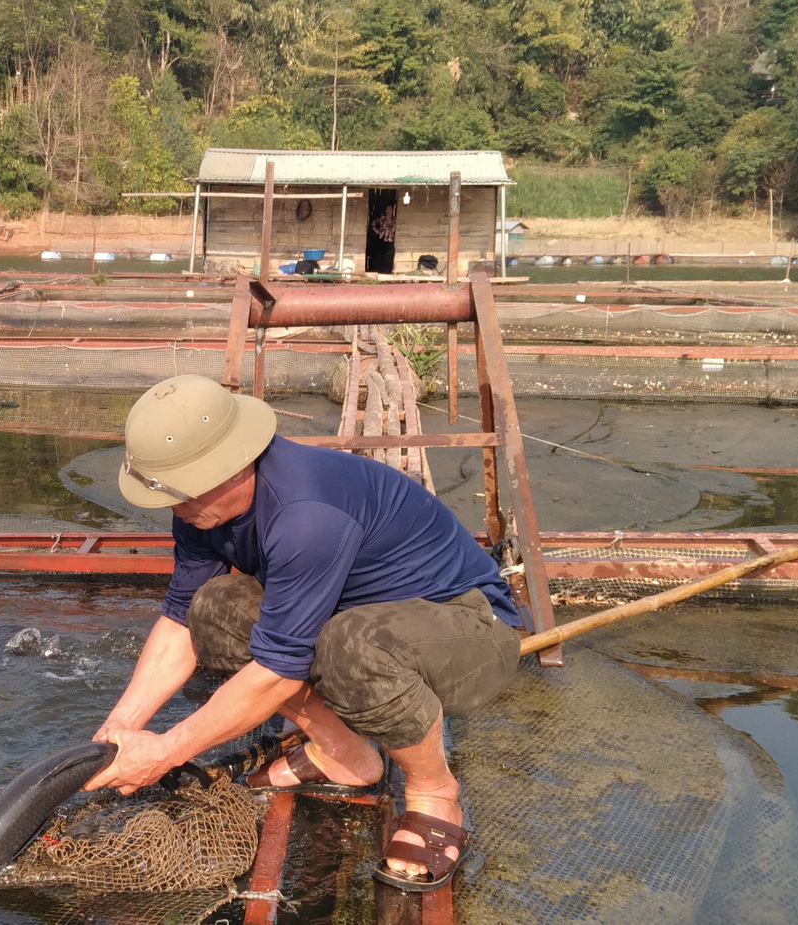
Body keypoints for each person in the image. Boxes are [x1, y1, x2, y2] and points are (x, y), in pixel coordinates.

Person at [83, 374, 522, 891]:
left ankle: (433, 790)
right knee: (213, 610)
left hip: (469, 630)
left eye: (179, 495)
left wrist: (165, 751)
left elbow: (275, 674)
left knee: (352, 648)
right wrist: (121, 728)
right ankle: (346, 754)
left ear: (231, 467)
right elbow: (180, 619)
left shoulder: (305, 513)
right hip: (356, 623)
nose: (173, 511)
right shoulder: (199, 509)